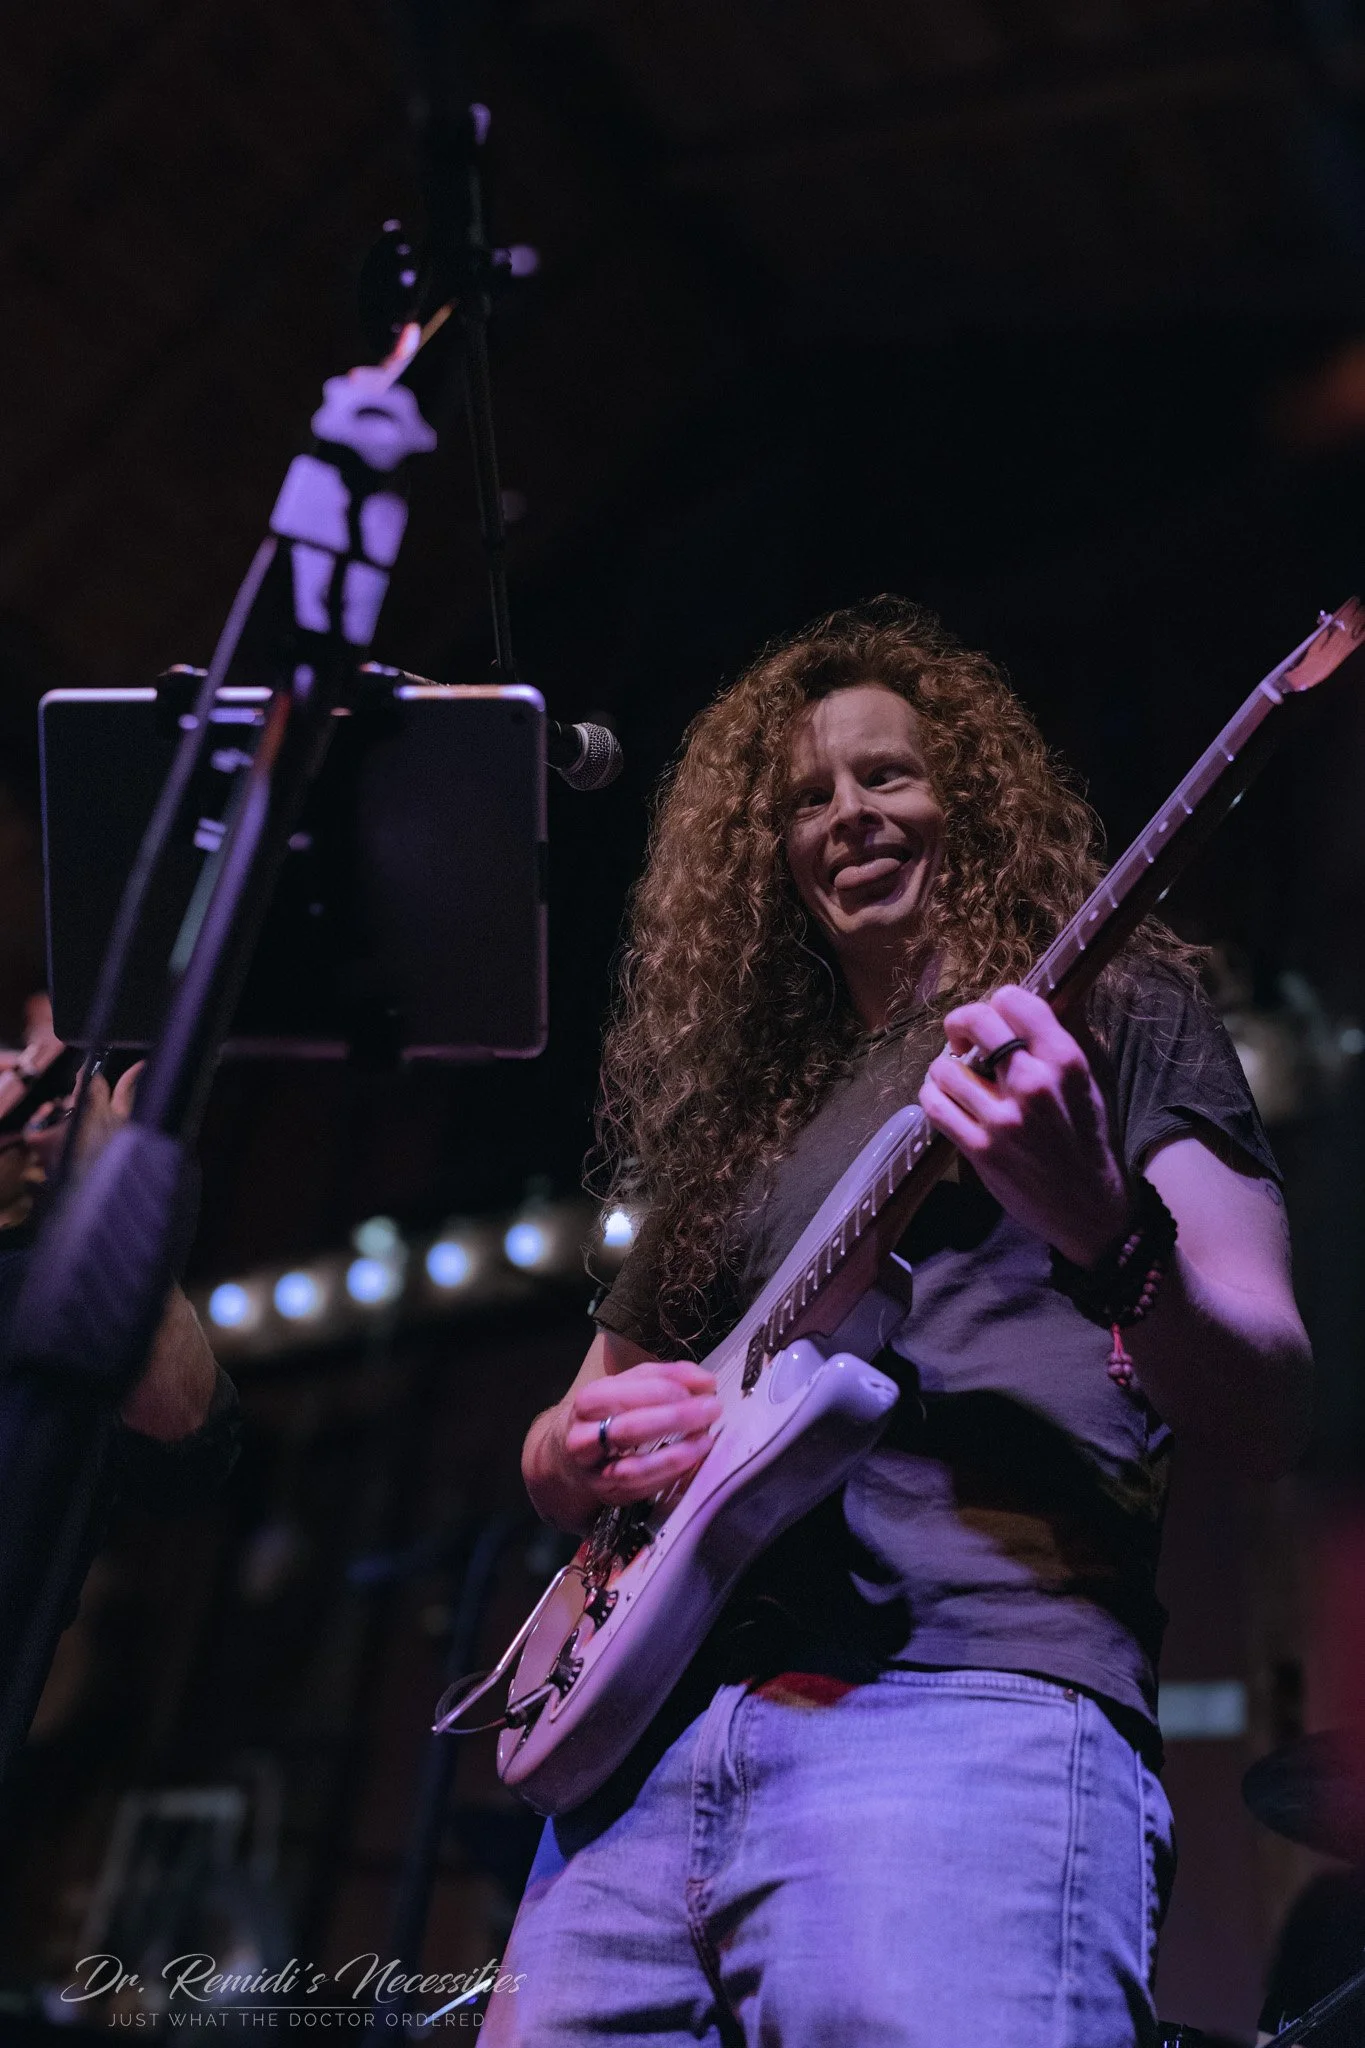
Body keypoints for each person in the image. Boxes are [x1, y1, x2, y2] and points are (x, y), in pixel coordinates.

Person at [487, 599, 1313, 2048]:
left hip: (966, 1706)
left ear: (969, 801)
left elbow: (1265, 1402)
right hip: (640, 1764)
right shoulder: (735, 1126)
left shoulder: (1114, 1013)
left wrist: (1105, 1232)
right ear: (770, 861)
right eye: (805, 798)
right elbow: (560, 1445)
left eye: (888, 774)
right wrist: (590, 1449)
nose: (847, 814)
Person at [0, 994, 238, 1501]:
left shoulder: (30, 1288)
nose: (12, 1070)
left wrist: (105, 1185)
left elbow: (185, 1433)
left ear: (33, 1162)